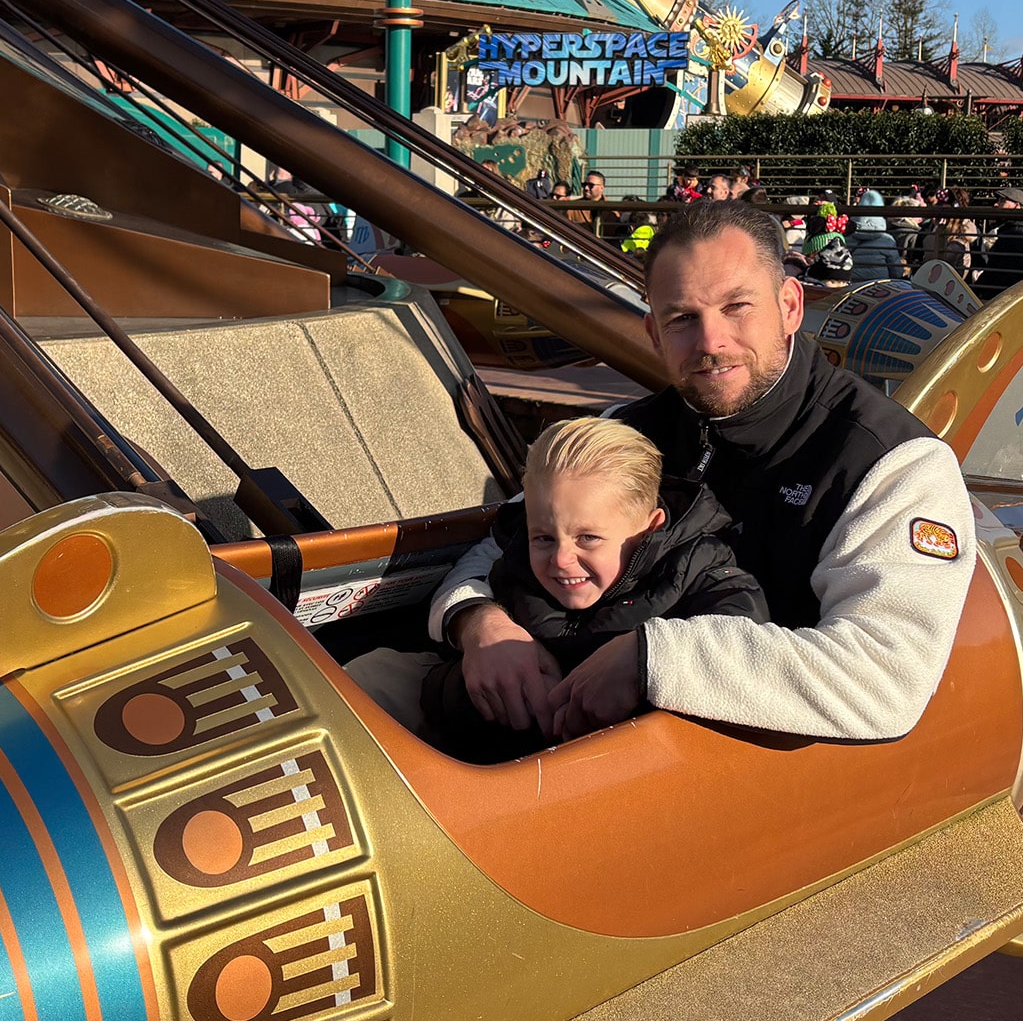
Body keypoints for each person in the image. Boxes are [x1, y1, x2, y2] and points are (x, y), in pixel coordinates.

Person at [412, 200, 977, 743]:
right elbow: (503, 542)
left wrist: (652, 659)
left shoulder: (890, 465)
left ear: (790, 307)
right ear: (653, 334)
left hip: (720, 778)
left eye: (737, 307)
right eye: (682, 318)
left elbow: (883, 681)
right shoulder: (628, 430)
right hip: (553, 727)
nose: (711, 342)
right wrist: (479, 622)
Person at [416, 417, 767, 761]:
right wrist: (480, 651)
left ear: (649, 528)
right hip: (484, 749)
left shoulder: (707, 578)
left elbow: (747, 655)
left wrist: (645, 664)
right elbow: (477, 572)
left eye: (588, 538)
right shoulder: (517, 559)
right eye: (544, 537)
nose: (561, 559)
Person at [848, 189, 903, 282]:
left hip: (853, 287)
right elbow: (897, 272)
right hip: (880, 289)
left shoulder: (847, 238)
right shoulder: (887, 240)